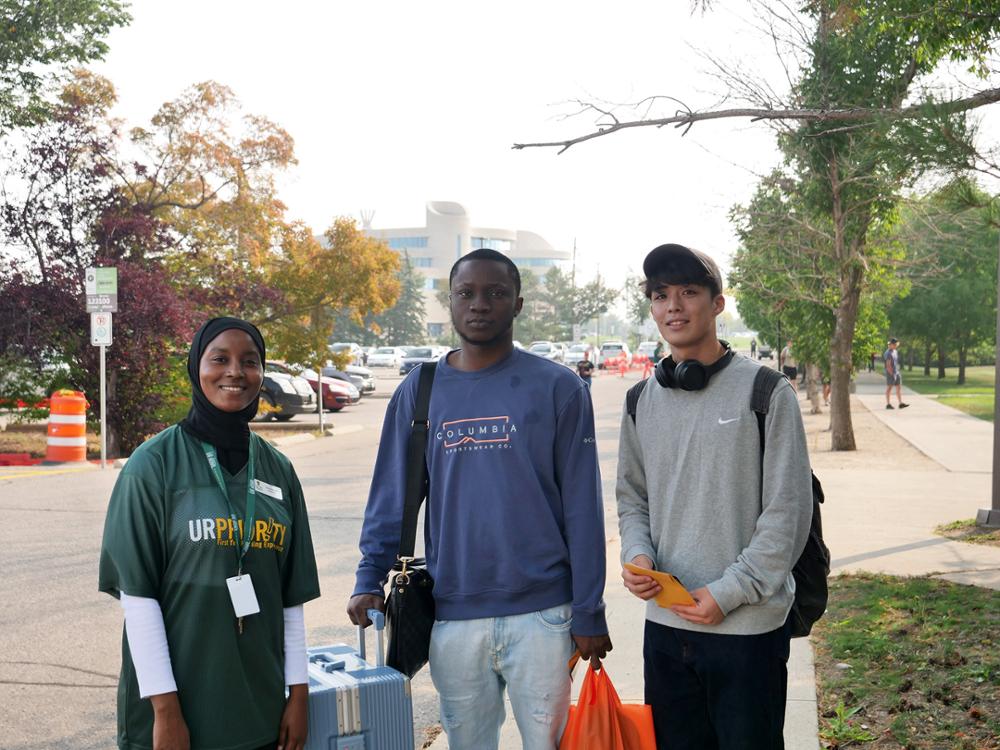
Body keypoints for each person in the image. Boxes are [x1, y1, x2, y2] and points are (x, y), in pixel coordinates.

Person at [348, 248, 611, 750]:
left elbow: (583, 510)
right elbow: (391, 498)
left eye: (496, 293)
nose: (480, 304)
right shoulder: (419, 391)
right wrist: (368, 577)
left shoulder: (559, 388)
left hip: (544, 615)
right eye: (466, 293)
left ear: (517, 304)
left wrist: (588, 610)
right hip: (453, 616)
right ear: (450, 302)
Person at [617, 243, 813, 750]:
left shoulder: (768, 392)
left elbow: (788, 515)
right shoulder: (640, 400)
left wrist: (728, 593)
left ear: (718, 304)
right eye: (660, 295)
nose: (673, 306)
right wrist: (637, 554)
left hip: (746, 629)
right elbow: (632, 497)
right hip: (665, 625)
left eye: (689, 292)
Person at [99, 317, 321, 750]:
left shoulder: (278, 469)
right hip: (177, 714)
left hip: (260, 709)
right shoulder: (154, 465)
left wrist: (298, 694)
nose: (235, 371)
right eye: (219, 358)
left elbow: (289, 600)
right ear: (195, 368)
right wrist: (166, 711)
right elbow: (138, 599)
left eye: (250, 361)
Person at [884, 337, 909, 410]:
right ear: (890, 344)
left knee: (899, 387)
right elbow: (888, 365)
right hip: (890, 373)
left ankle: (900, 403)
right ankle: (888, 404)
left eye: (896, 344)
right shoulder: (888, 353)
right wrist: (892, 374)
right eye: (894, 344)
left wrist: (896, 373)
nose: (895, 346)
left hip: (896, 372)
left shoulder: (895, 351)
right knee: (889, 388)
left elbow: (895, 362)